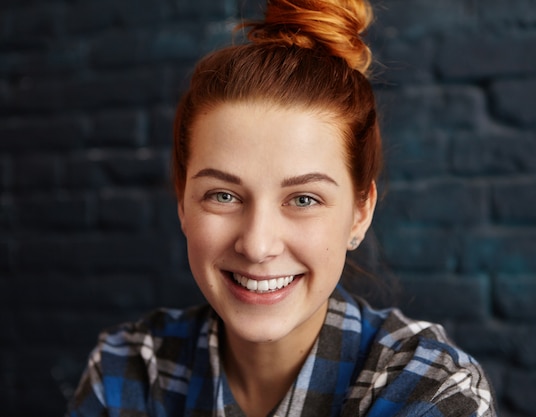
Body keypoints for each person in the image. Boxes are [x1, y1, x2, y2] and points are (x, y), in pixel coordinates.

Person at [66, 0, 497, 416]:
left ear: (359, 213)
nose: (257, 245)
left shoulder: (428, 389)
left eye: (304, 199)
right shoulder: (127, 371)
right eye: (223, 195)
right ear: (183, 202)